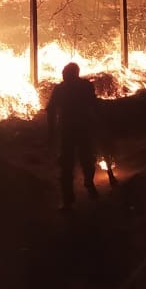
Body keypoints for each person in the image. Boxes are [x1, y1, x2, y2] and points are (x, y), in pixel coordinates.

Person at [47, 61, 99, 210]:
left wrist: (51, 132)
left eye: (65, 73)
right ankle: (86, 187)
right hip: (80, 129)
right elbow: (94, 105)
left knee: (70, 164)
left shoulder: (61, 89)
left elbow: (51, 110)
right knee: (83, 160)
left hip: (71, 130)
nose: (63, 75)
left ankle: (71, 197)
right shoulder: (85, 86)